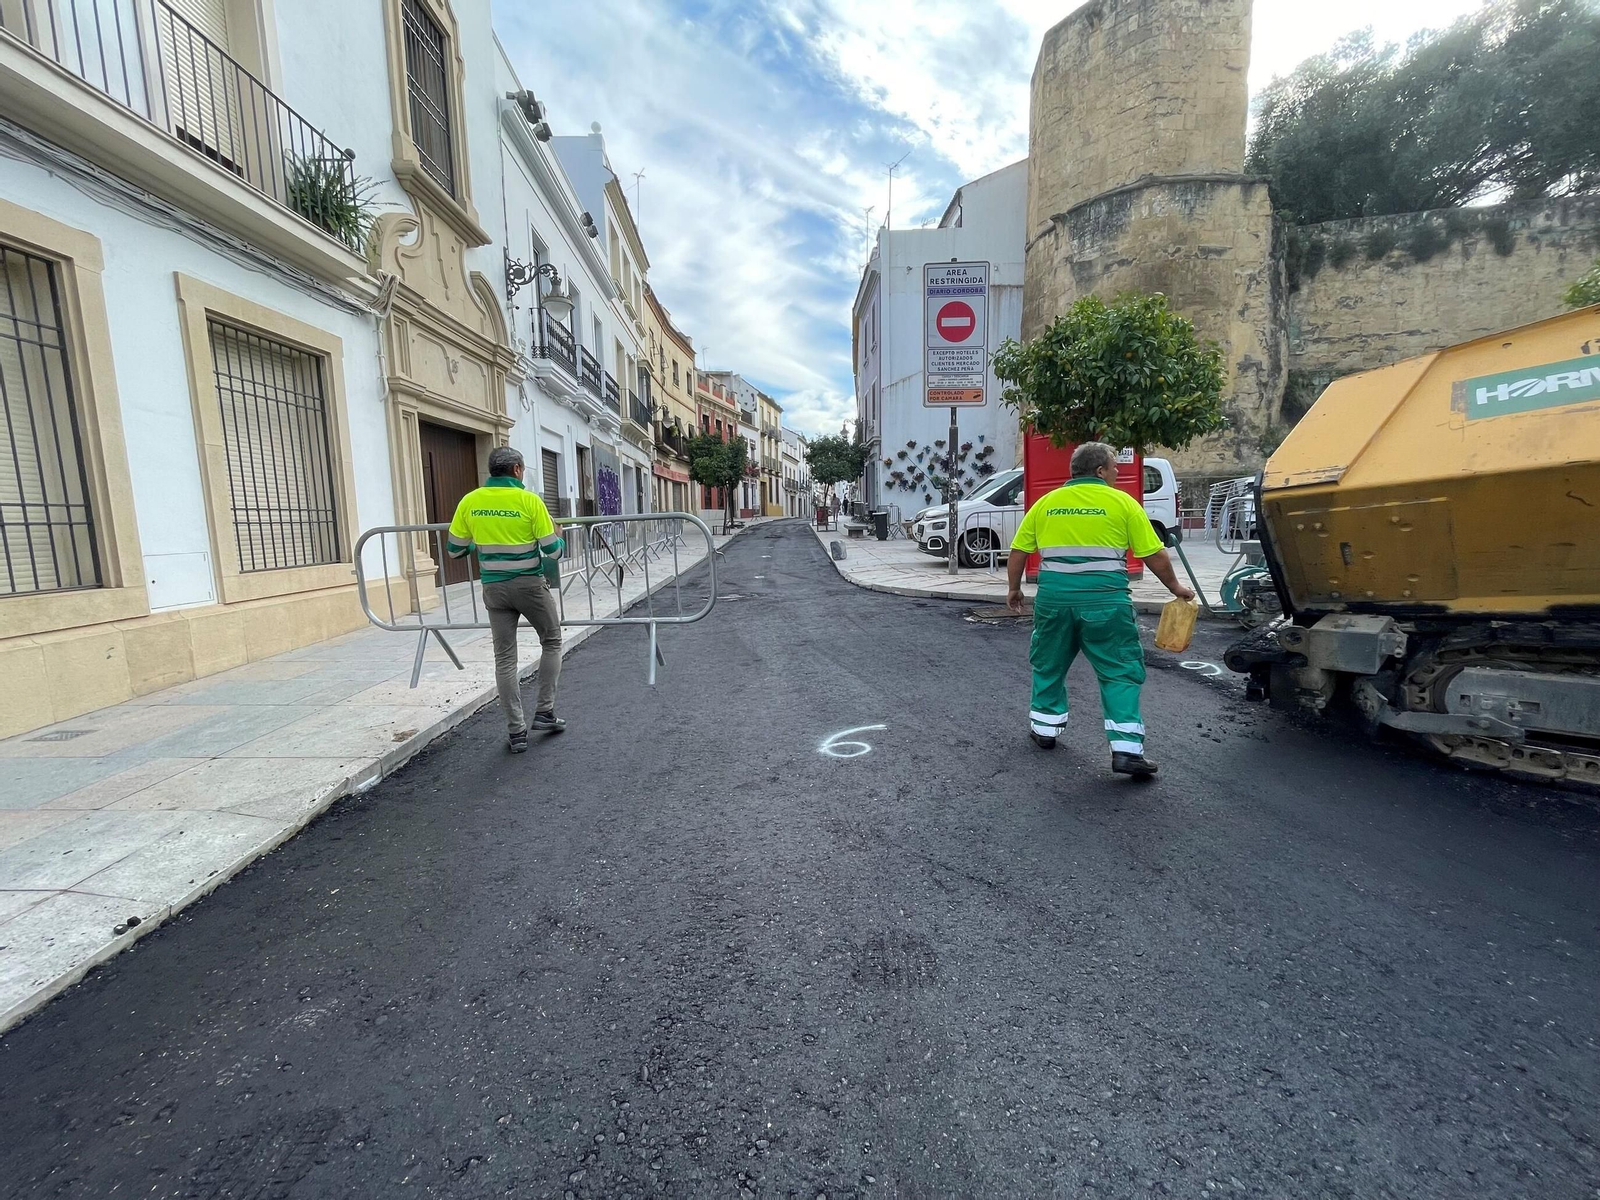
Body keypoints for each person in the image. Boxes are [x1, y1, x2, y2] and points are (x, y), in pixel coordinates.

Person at [1006, 442, 1196, 778]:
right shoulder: (1123, 503)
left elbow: (1019, 550)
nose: (1117, 473)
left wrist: (1014, 589)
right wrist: (1176, 589)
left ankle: (1045, 730)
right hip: (1106, 604)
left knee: (1049, 662)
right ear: (1099, 471)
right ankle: (1126, 750)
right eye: (1114, 468)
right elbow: (1154, 554)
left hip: (1054, 603)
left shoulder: (1046, 503)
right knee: (1119, 670)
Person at [446, 446, 567, 753]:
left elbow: (455, 550)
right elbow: (553, 551)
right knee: (551, 640)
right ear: (516, 470)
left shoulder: (470, 501)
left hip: (494, 590)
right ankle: (545, 712)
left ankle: (516, 732)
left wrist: (481, 549)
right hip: (529, 586)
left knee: (505, 659)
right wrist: (560, 534)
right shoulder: (529, 501)